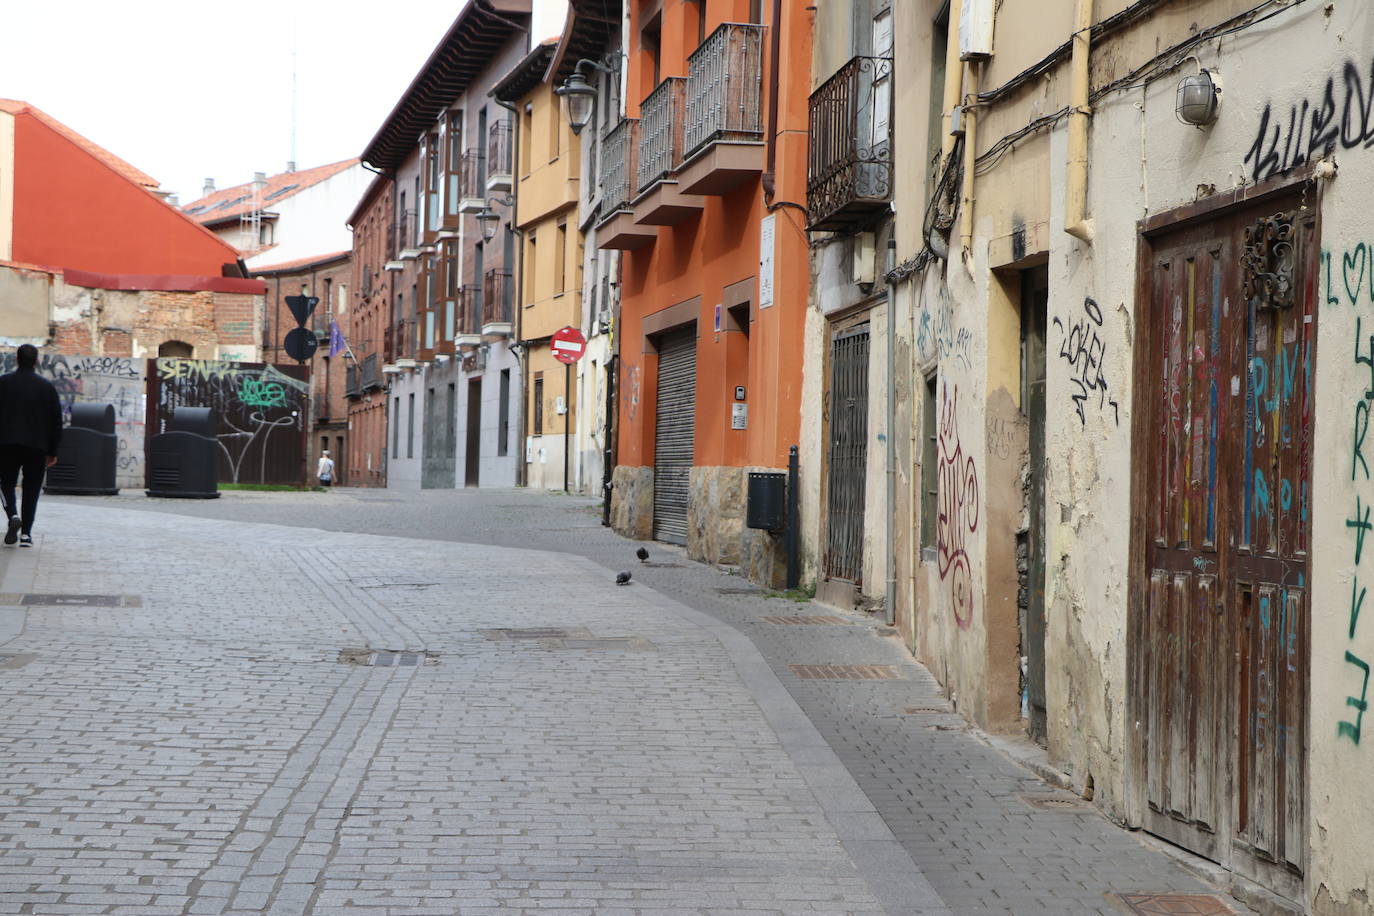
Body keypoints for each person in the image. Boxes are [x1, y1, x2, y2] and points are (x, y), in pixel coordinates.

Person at [0, 345, 63, 547]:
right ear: (36, 361)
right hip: (37, 447)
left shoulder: (3, 383)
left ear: (17, 359)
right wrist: (52, 450)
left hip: (7, 444)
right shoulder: (46, 387)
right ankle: (26, 534)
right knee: (32, 489)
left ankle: (13, 515)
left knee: (6, 483)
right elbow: (56, 421)